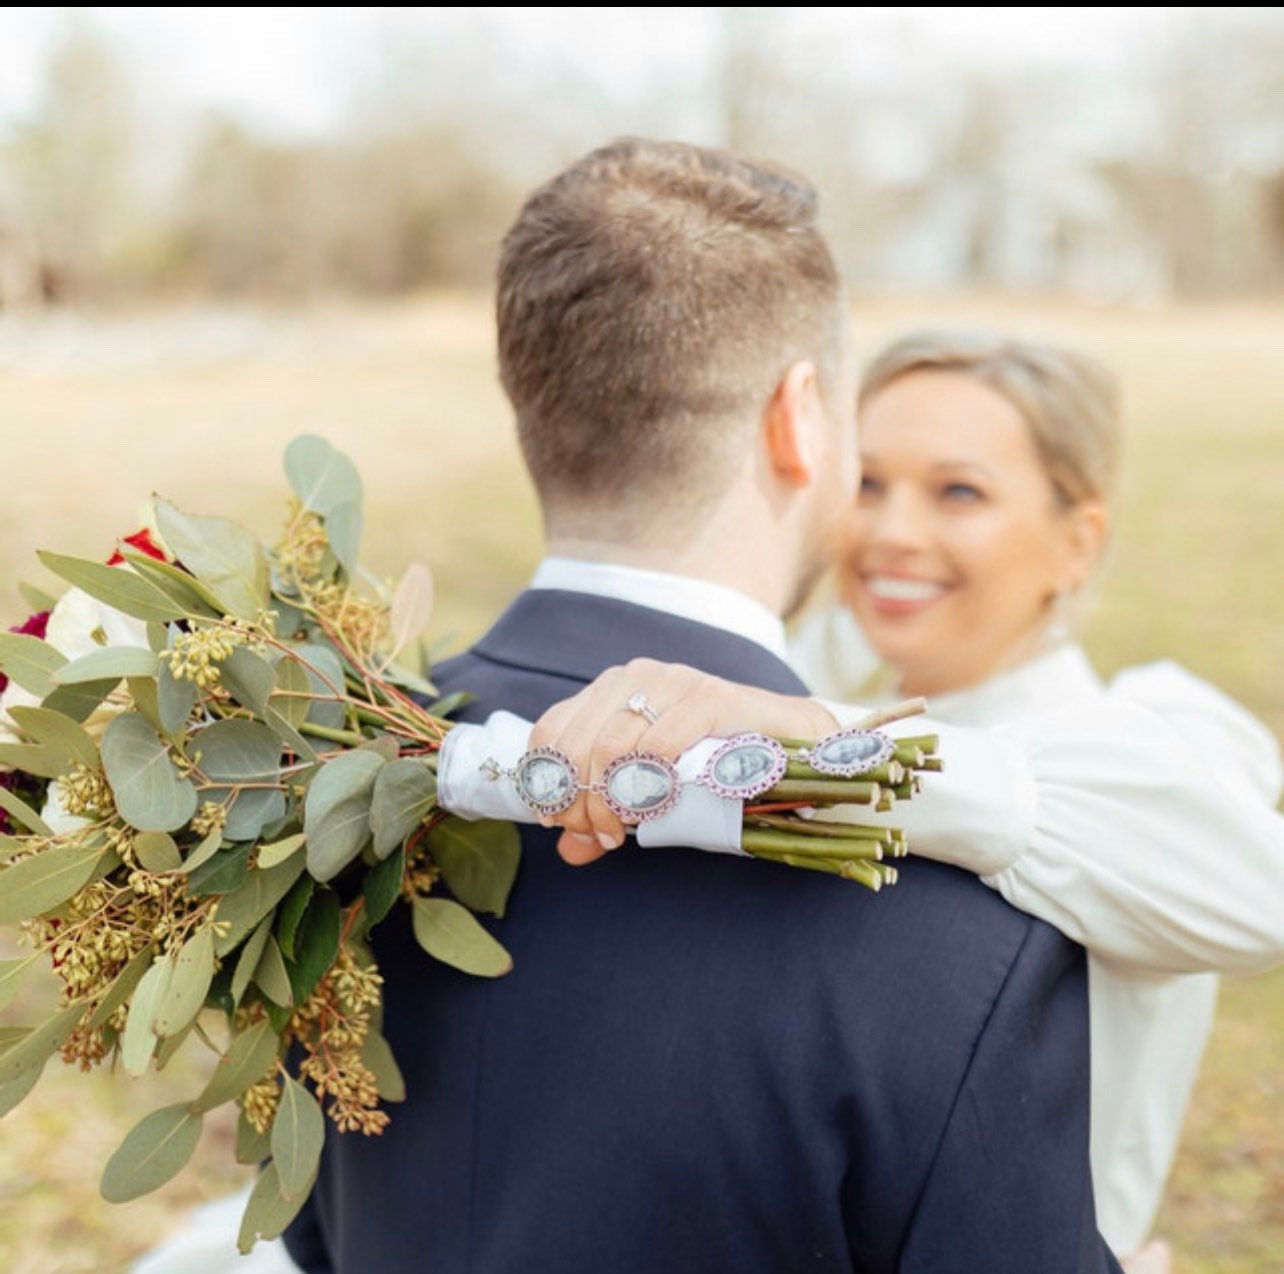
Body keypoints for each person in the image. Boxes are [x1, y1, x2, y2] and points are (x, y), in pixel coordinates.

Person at [283, 140, 1122, 1272]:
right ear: (802, 417)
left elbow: (314, 1224)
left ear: (532, 401)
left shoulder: (307, 789)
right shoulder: (947, 922)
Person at [523, 332, 1284, 1273]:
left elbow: (1262, 893)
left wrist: (824, 742)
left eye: (958, 491)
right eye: (869, 483)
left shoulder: (1157, 753)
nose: (889, 533)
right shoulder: (809, 680)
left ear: (1077, 542)